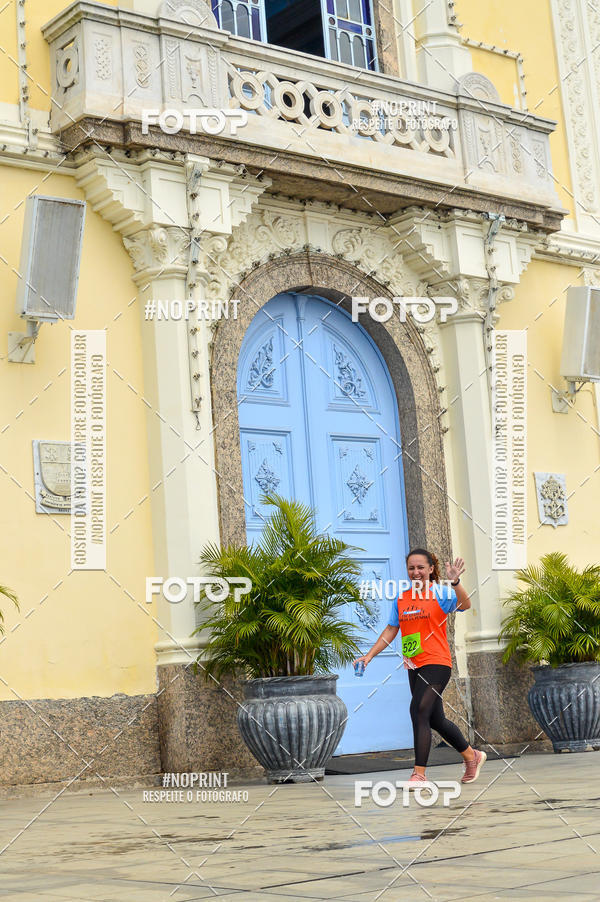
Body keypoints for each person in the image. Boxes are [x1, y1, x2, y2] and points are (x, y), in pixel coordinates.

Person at [354, 548, 486, 787]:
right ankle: (471, 755)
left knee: (418, 711)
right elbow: (391, 629)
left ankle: (419, 775)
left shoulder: (441, 593)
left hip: (437, 663)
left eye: (421, 568)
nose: (416, 572)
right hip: (413, 665)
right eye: (411, 568)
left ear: (431, 569)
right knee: (435, 719)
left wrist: (455, 582)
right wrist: (369, 656)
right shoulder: (401, 598)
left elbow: (465, 604)